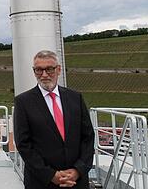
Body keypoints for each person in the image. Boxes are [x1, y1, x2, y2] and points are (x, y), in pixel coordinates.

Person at [13, 50, 94, 189]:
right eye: (39, 70)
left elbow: (88, 137)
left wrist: (78, 170)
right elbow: (23, 144)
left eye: (49, 69)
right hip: (41, 182)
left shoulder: (75, 98)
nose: (44, 75)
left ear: (59, 70)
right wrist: (50, 175)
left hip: (76, 181)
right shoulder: (23, 102)